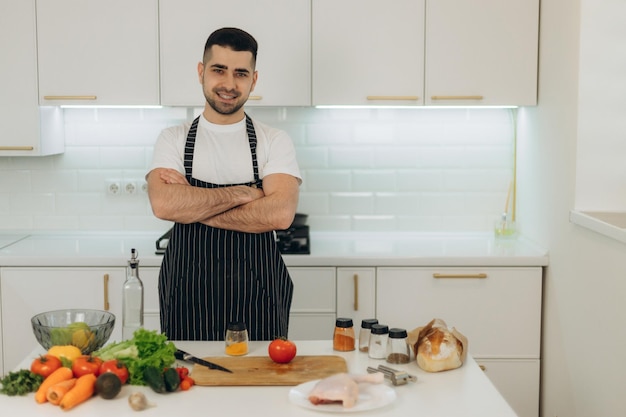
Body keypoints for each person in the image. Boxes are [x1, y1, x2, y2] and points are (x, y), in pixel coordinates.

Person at [146, 27, 301, 341]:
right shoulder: (173, 140)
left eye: (241, 73)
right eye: (219, 70)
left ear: (253, 80)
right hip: (188, 296)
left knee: (259, 382)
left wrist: (192, 203)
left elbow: (280, 214)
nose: (229, 84)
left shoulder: (274, 141)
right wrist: (247, 194)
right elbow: (164, 205)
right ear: (201, 72)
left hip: (259, 295)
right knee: (191, 382)